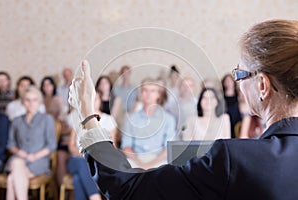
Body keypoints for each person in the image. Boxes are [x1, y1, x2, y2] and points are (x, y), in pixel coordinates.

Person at [70, 20, 298, 199]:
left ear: (262, 85)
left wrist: (88, 115)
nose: (238, 83)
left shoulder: (234, 159)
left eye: (240, 74)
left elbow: (130, 189)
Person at [6, 86, 56, 200]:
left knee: (11, 179)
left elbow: (51, 144)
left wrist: (34, 156)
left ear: (39, 102)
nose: (31, 103)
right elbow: (10, 144)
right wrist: (20, 152)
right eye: (27, 100)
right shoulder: (17, 120)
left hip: (38, 161)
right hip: (20, 158)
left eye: (34, 100)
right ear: (23, 102)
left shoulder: (47, 119)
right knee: (17, 162)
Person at [67, 91, 117, 200]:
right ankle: (95, 197)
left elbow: (113, 148)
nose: (92, 103)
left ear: (100, 101)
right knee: (83, 163)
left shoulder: (109, 120)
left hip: (99, 162)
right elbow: (71, 146)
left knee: (77, 179)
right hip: (77, 159)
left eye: (95, 99)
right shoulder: (78, 119)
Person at [121, 78, 176, 169]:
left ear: (158, 94)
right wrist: (140, 163)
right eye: (145, 90)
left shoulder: (169, 119)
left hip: (158, 160)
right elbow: (126, 146)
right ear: (141, 94)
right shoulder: (131, 118)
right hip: (136, 159)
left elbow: (168, 149)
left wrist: (150, 165)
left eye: (152, 91)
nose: (148, 94)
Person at [221, 73, 242, 138]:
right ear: (223, 83)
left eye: (230, 81)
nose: (229, 83)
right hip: (225, 119)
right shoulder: (221, 96)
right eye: (227, 81)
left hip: (237, 119)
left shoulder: (239, 95)